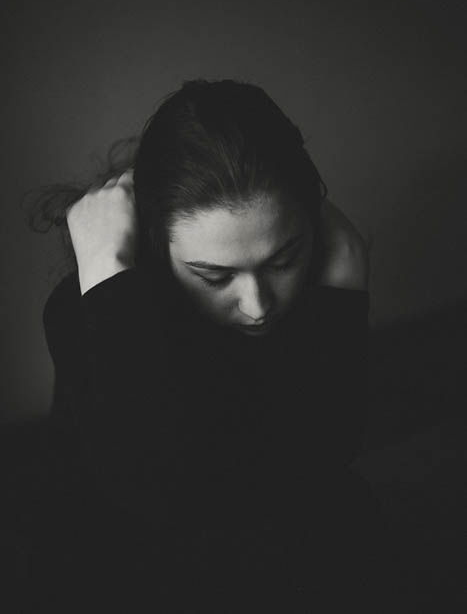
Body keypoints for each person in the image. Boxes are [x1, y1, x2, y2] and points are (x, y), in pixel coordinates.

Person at [21, 79, 406, 612]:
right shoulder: (88, 308)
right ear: (156, 245)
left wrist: (343, 285)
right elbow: (155, 492)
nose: (257, 304)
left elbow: (327, 453)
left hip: (271, 528)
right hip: (141, 554)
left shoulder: (325, 274)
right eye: (213, 275)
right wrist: (110, 276)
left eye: (283, 259)